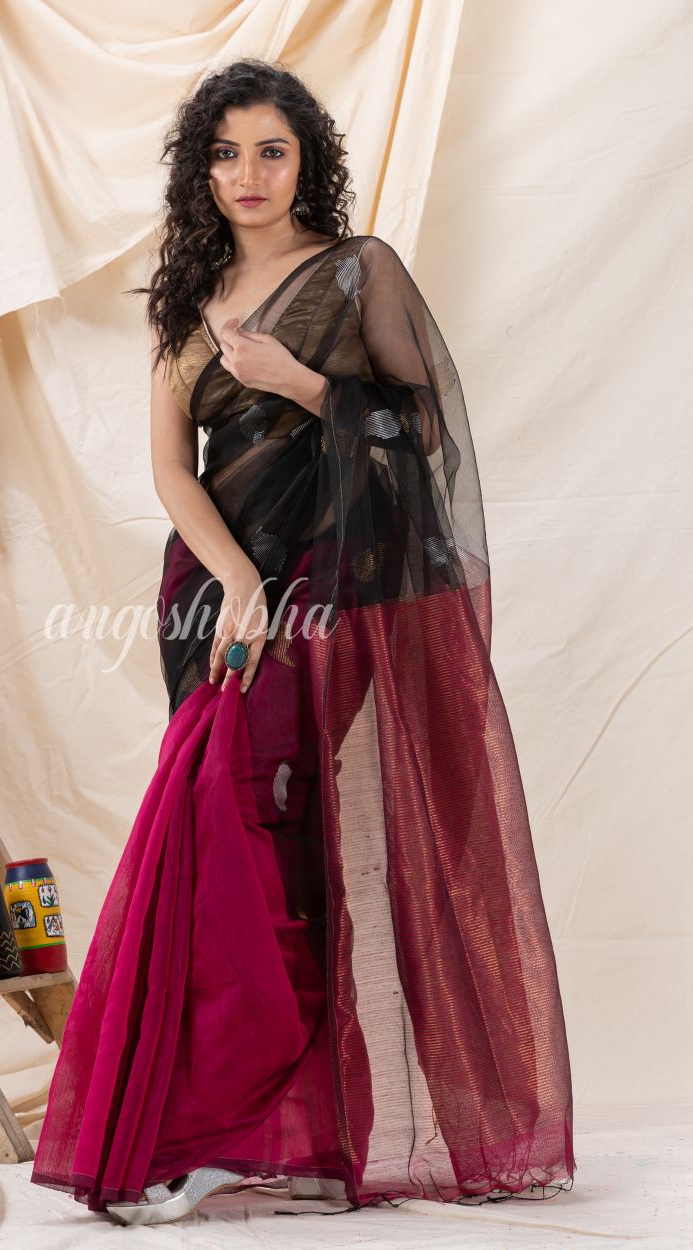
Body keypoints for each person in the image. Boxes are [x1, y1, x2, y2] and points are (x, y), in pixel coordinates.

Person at [29, 58, 576, 1226]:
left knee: (245, 838)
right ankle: (273, 1132)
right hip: (212, 598)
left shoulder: (357, 270)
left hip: (326, 593)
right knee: (242, 842)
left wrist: (301, 382)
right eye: (225, 152)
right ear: (199, 169)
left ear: (305, 160)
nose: (248, 174)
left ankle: (215, 1128)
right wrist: (234, 578)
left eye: (270, 150)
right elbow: (171, 469)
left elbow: (422, 424)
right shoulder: (185, 299)